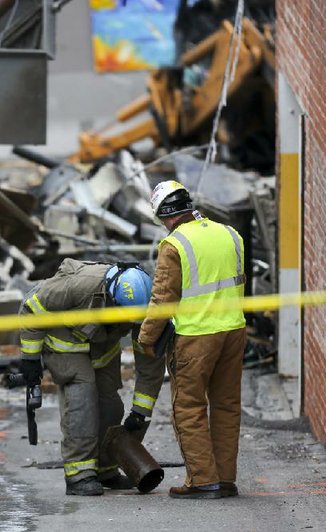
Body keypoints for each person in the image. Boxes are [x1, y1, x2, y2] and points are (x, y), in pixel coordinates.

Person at [18, 259, 164, 496]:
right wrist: (30, 360)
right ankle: (79, 474)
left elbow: (150, 364)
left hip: (102, 347)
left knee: (110, 405)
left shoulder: (147, 308)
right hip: (64, 341)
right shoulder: (82, 285)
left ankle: (106, 469)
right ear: (111, 296)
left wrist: (140, 412)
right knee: (82, 398)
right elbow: (31, 306)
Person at [138, 180, 246, 500]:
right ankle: (225, 479)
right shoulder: (230, 234)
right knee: (226, 406)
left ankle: (202, 480)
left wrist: (147, 339)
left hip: (197, 336)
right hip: (234, 330)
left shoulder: (174, 245)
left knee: (189, 408)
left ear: (165, 216)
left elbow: (163, 300)